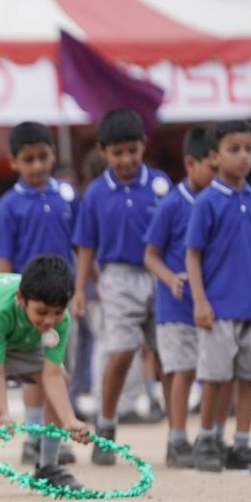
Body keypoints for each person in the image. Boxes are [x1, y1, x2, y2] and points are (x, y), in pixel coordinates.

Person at [72, 108, 172, 465]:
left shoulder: (161, 185)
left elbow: (175, 235)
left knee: (169, 355)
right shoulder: (96, 193)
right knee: (120, 351)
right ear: (103, 152)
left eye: (132, 150)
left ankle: (177, 438)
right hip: (116, 278)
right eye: (118, 152)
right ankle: (107, 425)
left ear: (144, 145)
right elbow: (86, 245)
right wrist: (81, 290)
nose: (126, 159)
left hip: (160, 276)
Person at [186, 120, 251, 471]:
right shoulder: (207, 202)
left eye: (249, 149)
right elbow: (192, 254)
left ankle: (241, 443)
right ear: (215, 156)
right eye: (234, 150)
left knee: (250, 375)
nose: (243, 156)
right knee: (216, 377)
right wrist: (200, 300)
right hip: (219, 308)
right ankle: (207, 439)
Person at [0, 256, 89, 497]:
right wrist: (4, 414)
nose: (50, 320)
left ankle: (49, 467)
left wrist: (69, 419)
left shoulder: (59, 320)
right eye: (42, 311)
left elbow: (51, 375)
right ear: (21, 299)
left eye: (56, 312)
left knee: (61, 378)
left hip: (22, 336)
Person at [0, 122, 78, 466]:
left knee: (61, 368)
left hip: (62, 301)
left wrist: (81, 291)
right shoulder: (9, 205)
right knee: (33, 371)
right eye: (29, 159)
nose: (38, 165)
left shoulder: (67, 197)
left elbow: (82, 247)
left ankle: (56, 435)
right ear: (14, 162)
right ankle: (34, 436)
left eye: (43, 157)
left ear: (54, 154)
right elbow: (3, 259)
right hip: (29, 305)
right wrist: (11, 300)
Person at [143, 126, 216, 468]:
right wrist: (170, 278)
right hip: (175, 305)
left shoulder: (219, 200)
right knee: (180, 371)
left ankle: (208, 437)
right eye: (212, 167)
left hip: (212, 304)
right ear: (191, 163)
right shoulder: (172, 203)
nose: (219, 175)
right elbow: (150, 255)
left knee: (208, 371)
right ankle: (176, 440)